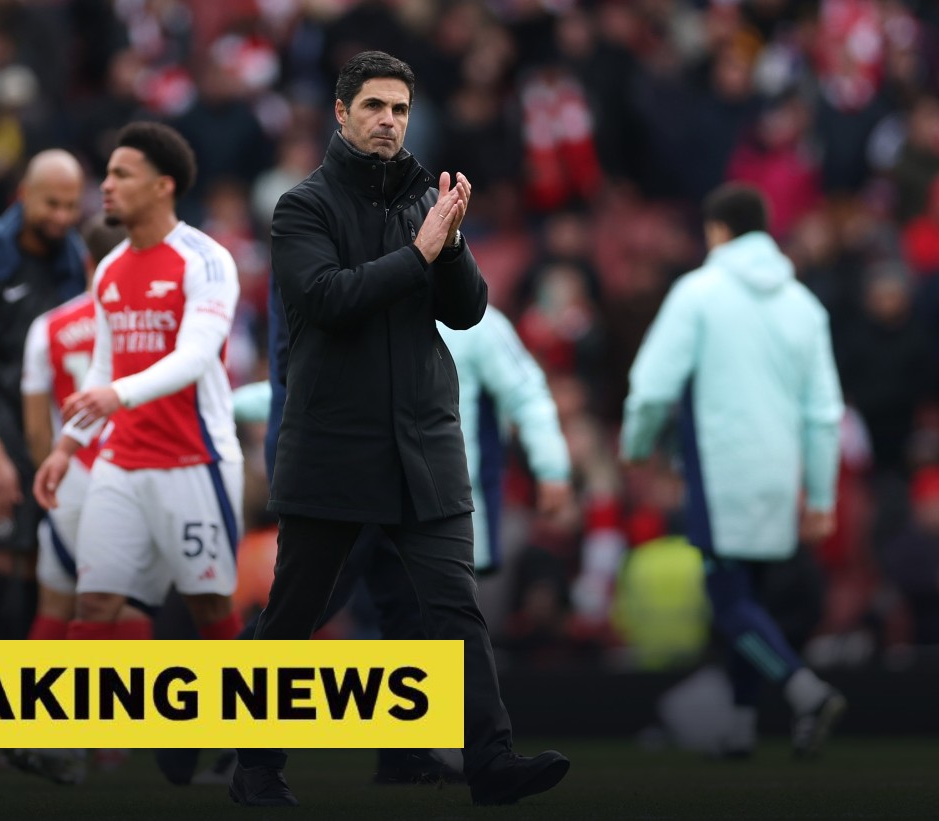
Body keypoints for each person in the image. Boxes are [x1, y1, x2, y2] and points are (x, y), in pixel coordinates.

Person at [229, 50, 570, 808]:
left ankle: (491, 759)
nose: (389, 121)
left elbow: (467, 308)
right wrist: (421, 250)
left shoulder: (427, 198)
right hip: (334, 448)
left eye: (401, 110)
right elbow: (326, 299)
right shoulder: (301, 208)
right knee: (294, 616)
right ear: (342, 114)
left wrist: (449, 245)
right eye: (375, 106)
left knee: (454, 608)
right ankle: (254, 762)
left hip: (425, 443)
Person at [620, 183, 848, 758]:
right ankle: (742, 728)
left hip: (721, 475)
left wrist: (636, 443)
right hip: (780, 475)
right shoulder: (804, 305)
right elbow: (824, 414)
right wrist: (820, 495)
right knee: (754, 600)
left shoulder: (699, 293)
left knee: (730, 603)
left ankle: (805, 691)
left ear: (716, 231)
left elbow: (651, 387)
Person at [33, 122, 244, 645]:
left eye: (122, 174)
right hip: (121, 461)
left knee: (210, 606)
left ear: (161, 186)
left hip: (193, 459)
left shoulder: (207, 260)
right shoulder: (108, 270)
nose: (105, 185)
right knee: (96, 603)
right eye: (105, 174)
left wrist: (117, 395)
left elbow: (195, 357)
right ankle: (82, 728)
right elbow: (106, 367)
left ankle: (249, 723)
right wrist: (66, 447)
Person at [0, 150, 87, 639]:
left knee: (35, 582)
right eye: (52, 204)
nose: (62, 218)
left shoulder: (73, 260)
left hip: (47, 440)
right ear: (24, 195)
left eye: (71, 207)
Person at [20, 215, 128, 643]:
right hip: (127, 474)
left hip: (68, 479)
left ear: (86, 259)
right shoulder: (147, 324)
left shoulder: (48, 327)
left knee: (56, 606)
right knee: (126, 607)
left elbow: (34, 430)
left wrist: (51, 479)